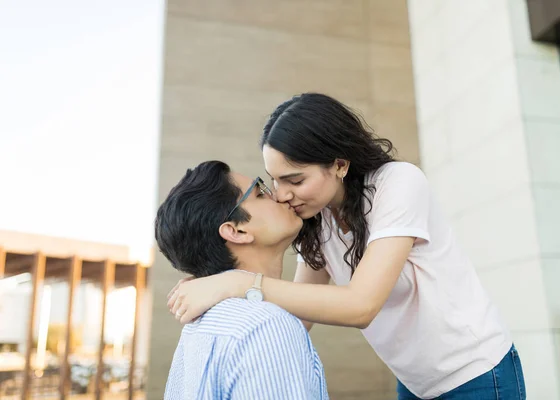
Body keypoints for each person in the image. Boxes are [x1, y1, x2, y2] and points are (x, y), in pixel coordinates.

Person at [167, 93, 527, 400]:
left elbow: (361, 305)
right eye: (274, 181)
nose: (282, 194)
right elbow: (300, 312)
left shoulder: (397, 184)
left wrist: (237, 284)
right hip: (415, 380)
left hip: (476, 372)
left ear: (339, 164)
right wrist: (217, 299)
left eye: (295, 179)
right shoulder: (316, 216)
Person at [156, 160, 329, 400]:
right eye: (260, 192)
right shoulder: (268, 326)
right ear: (237, 231)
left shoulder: (199, 325)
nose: (278, 195)